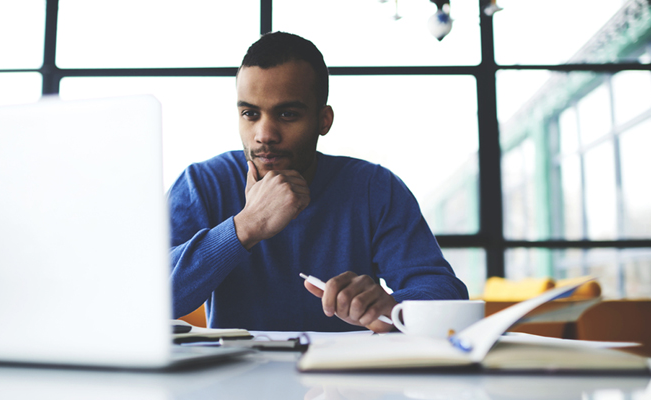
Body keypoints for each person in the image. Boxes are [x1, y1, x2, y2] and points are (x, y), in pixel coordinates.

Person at [169, 32, 468, 333]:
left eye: (287, 114)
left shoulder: (374, 188)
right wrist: (246, 226)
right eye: (250, 113)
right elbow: (144, 299)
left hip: (349, 376)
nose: (264, 134)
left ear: (323, 120)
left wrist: (394, 309)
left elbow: (444, 291)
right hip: (234, 377)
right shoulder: (201, 183)